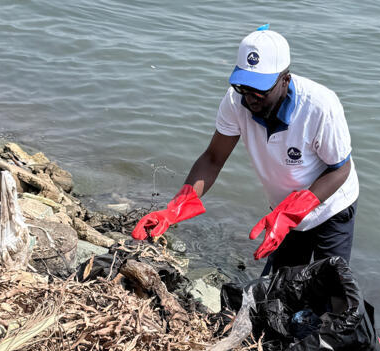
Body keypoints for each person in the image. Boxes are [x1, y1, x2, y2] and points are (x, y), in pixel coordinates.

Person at [131, 26, 359, 274]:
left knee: (330, 290)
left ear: (285, 80)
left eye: (260, 90)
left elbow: (340, 168)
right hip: (281, 213)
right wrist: (174, 209)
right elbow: (213, 158)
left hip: (330, 208)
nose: (250, 98)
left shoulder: (319, 106)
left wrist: (290, 213)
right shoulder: (235, 102)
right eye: (244, 87)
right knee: (280, 290)